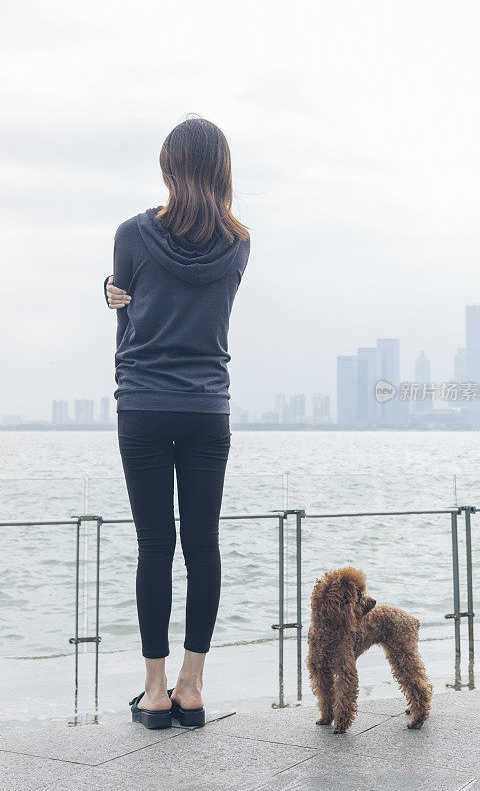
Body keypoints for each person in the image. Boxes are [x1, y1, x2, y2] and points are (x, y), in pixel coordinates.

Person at [104, 116, 250, 729]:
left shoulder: (133, 234)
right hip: (206, 408)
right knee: (203, 546)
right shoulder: (239, 244)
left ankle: (155, 692)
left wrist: (112, 289)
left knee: (153, 546)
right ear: (222, 169)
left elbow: (128, 315)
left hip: (141, 404)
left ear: (169, 166)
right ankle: (193, 687)